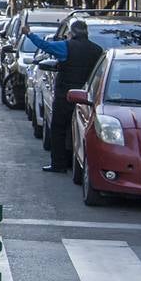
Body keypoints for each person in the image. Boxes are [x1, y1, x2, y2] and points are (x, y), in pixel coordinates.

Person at [22, 19, 104, 173]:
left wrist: (29, 34)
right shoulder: (98, 50)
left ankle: (59, 164)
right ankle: (78, 164)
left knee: (58, 129)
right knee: (82, 131)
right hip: (87, 98)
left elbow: (45, 46)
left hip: (65, 96)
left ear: (71, 33)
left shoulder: (67, 46)